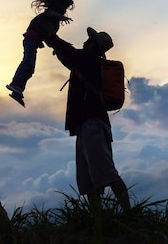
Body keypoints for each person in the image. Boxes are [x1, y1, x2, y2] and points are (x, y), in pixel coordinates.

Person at [50, 27, 131, 211]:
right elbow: (68, 55)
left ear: (94, 46)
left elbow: (68, 54)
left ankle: (130, 215)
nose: (85, 42)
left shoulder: (88, 60)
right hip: (88, 126)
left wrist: (50, 35)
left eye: (89, 40)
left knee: (107, 173)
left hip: (91, 125)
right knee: (89, 181)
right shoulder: (91, 63)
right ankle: (98, 222)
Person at [6, 0, 74, 106]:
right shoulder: (48, 15)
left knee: (30, 68)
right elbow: (50, 14)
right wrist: (60, 17)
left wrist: (59, 47)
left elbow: (50, 37)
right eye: (64, 8)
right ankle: (16, 83)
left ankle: (18, 89)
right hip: (30, 39)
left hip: (34, 42)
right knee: (27, 62)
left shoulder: (54, 23)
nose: (64, 10)